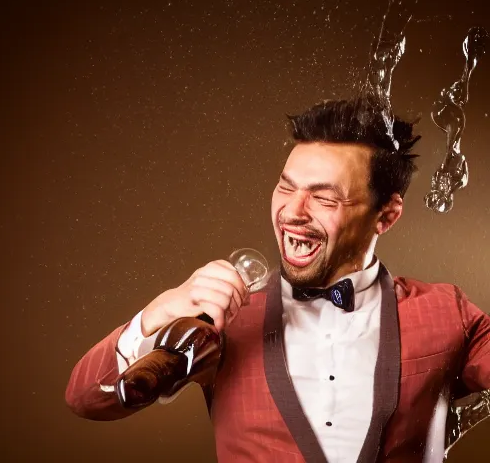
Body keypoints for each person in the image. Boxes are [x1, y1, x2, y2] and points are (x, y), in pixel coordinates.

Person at [65, 97, 490, 463]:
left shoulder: (445, 311)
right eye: (286, 188)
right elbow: (87, 398)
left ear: (387, 215)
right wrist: (162, 309)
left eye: (323, 198)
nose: (293, 212)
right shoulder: (223, 321)